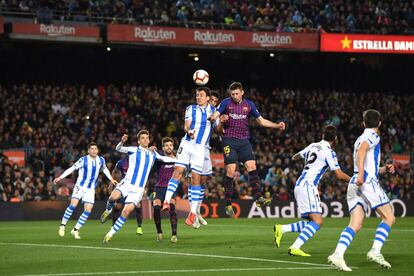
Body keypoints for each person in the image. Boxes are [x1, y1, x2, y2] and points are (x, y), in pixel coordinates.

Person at [328, 110, 395, 271]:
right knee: (389, 217)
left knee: (356, 224)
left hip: (355, 182)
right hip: (366, 182)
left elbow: (366, 163)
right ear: (379, 123)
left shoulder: (359, 138)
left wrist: (384, 169)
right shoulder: (373, 136)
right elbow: (363, 151)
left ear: (363, 123)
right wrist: (362, 174)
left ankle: (337, 254)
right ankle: (375, 251)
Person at [209, 82, 286, 217]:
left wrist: (277, 126)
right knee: (231, 169)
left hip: (244, 141)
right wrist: (215, 118)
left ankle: (258, 198)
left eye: (237, 93)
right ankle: (228, 203)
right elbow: (216, 113)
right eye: (232, 94)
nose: (234, 96)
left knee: (252, 165)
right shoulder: (226, 103)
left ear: (242, 92)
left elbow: (261, 121)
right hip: (229, 140)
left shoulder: (249, 105)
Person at [273, 125, 351, 256]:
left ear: (322, 135)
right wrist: (353, 180)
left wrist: (305, 160)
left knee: (311, 222)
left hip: (300, 184)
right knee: (318, 221)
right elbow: (339, 175)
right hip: (308, 186)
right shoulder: (329, 152)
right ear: (335, 139)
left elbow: (295, 157)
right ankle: (295, 246)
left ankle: (282, 229)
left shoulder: (313, 145)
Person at [100, 130, 176, 243]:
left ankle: (110, 234)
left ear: (149, 140)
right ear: (139, 141)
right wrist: (121, 142)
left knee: (126, 211)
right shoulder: (133, 150)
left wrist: (181, 161)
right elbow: (119, 149)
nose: (145, 140)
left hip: (138, 189)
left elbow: (165, 159)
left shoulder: (153, 154)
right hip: (127, 183)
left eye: (147, 138)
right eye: (143, 138)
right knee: (112, 198)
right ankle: (108, 210)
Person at [162, 87, 216, 229]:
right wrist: (189, 131)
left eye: (201, 95)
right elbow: (186, 126)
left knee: (195, 179)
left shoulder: (213, 110)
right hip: (186, 144)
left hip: (200, 148)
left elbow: (218, 128)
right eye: (197, 95)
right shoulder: (190, 108)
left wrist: (221, 119)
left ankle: (193, 213)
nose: (198, 97)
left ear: (208, 97)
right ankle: (167, 201)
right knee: (177, 171)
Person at [54, 142, 117, 239]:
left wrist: (111, 179)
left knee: (88, 210)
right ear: (88, 151)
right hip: (80, 186)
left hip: (91, 188)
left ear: (97, 150)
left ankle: (75, 230)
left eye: (95, 149)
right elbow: (72, 169)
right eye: (91, 149)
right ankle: (62, 225)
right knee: (73, 205)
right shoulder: (83, 160)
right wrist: (60, 177)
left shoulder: (101, 160)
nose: (94, 150)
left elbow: (105, 169)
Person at [152, 137, 178, 243]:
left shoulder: (178, 160)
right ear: (163, 148)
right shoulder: (159, 159)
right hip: (159, 188)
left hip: (171, 188)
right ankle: (159, 232)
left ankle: (174, 235)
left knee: (172, 208)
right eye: (166, 145)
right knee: (156, 208)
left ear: (173, 147)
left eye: (170, 145)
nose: (169, 147)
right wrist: (150, 150)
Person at [110, 155, 144, 235]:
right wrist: (112, 182)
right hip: (125, 187)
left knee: (138, 206)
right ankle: (113, 225)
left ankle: (139, 227)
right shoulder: (121, 162)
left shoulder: (139, 162)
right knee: (118, 207)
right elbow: (115, 171)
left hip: (135, 187)